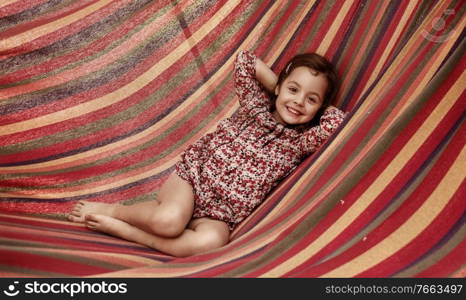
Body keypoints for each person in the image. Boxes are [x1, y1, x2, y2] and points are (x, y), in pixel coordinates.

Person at [68, 50, 346, 257]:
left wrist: (316, 109)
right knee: (168, 221)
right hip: (193, 180)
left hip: (221, 214)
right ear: (280, 87)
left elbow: (336, 121)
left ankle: (129, 232)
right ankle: (115, 211)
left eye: (311, 99)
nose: (298, 101)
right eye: (293, 90)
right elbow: (245, 61)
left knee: (211, 243)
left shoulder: (299, 142)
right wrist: (276, 88)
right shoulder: (256, 106)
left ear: (319, 107)